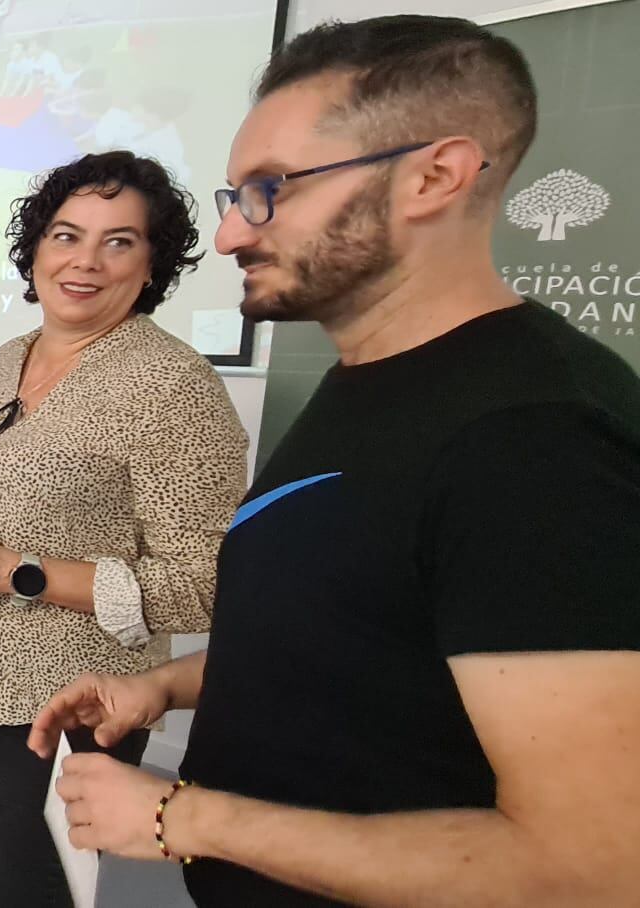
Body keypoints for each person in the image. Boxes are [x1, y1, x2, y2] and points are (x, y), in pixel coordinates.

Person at [36, 16, 640, 907]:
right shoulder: (373, 375)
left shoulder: (534, 439)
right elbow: (362, 636)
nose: (235, 235)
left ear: (434, 175)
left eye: (273, 188)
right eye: (235, 194)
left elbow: (591, 869)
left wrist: (182, 819)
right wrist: (161, 685)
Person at [0, 151, 246, 908]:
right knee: (6, 860)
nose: (84, 262)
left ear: (152, 265)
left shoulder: (173, 387)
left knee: (36, 888)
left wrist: (17, 572)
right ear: (35, 249)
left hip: (67, 695)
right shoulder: (14, 355)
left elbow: (205, 586)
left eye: (119, 242)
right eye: (67, 235)